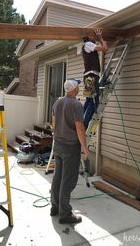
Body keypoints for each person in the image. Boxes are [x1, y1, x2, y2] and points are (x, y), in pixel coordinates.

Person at [50, 78, 89, 224]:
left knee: (57, 177)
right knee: (68, 180)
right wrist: (84, 149)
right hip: (70, 147)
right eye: (77, 86)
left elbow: (54, 123)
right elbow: (79, 128)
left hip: (58, 144)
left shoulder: (58, 102)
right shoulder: (76, 105)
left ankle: (55, 207)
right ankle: (65, 214)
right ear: (74, 89)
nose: (79, 87)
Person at [82, 28, 108, 129]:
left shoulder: (88, 45)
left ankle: (80, 123)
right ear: (87, 37)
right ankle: (83, 127)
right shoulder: (88, 44)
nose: (93, 37)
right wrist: (101, 38)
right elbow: (105, 48)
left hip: (89, 76)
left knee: (89, 101)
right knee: (93, 103)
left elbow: (103, 48)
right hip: (91, 76)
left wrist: (99, 39)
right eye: (92, 35)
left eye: (94, 35)